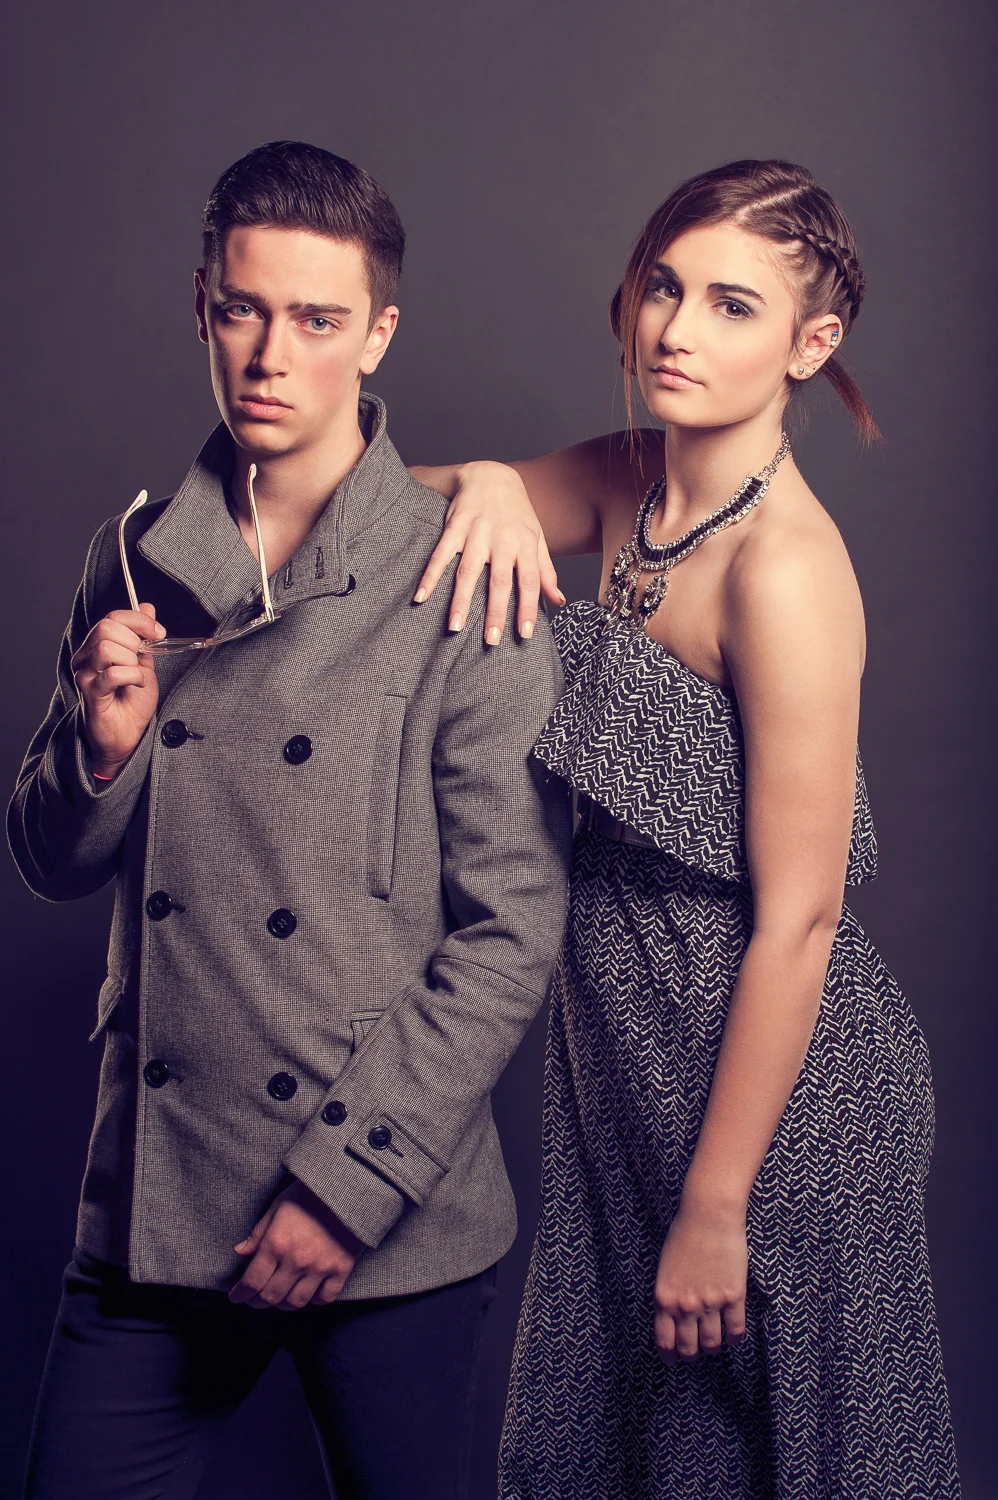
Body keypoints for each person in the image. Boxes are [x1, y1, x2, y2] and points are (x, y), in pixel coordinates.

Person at [8, 140, 571, 1500]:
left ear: (376, 336)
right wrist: (102, 749)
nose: (271, 357)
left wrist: (344, 1189)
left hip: (384, 1218)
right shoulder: (136, 554)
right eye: (244, 311)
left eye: (317, 321)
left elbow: (512, 929)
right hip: (157, 1198)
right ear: (202, 307)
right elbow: (49, 858)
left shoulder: (463, 571)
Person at [413, 159, 960, 1497]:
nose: (674, 329)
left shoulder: (786, 570)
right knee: (624, 1454)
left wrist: (718, 1206)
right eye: (662, 287)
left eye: (730, 304)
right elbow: (385, 519)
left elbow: (801, 920)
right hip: (623, 1056)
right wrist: (486, 482)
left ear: (808, 345)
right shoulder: (628, 482)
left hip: (781, 1100)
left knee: (807, 1462)